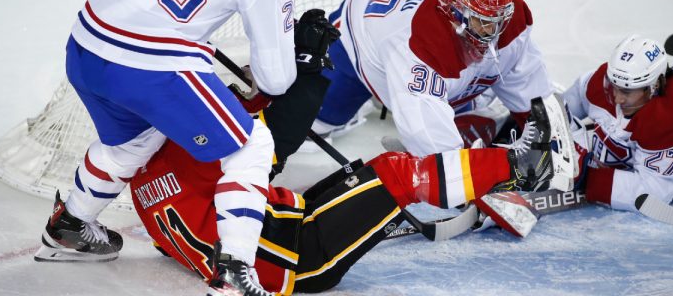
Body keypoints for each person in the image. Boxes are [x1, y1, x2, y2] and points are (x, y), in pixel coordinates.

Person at [33, 0, 327, 295]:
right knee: (252, 145)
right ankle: (233, 276)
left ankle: (71, 224)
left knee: (134, 141)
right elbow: (277, 78)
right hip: (149, 68)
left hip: (85, 46)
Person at [128, 88, 570, 294]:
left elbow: (170, 242)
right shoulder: (189, 149)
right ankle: (520, 167)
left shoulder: (139, 180)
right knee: (398, 174)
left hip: (290, 233)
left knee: (362, 175)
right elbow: (256, 142)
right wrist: (279, 86)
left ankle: (483, 170)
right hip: (303, 254)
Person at [311, 0, 554, 156]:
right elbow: (436, 151)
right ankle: (383, 95)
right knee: (318, 123)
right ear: (457, 11)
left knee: (447, 92)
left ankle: (465, 105)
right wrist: (486, 176)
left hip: (410, 49)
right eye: (483, 23)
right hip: (360, 35)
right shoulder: (418, 43)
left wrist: (550, 139)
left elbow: (530, 89)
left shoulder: (509, 24)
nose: (492, 33)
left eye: (497, 22)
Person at [562, 32, 673, 212]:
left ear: (654, 88)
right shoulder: (608, 81)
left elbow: (654, 194)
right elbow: (561, 107)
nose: (617, 99)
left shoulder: (671, 122)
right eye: (614, 87)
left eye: (626, 92)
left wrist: (587, 178)